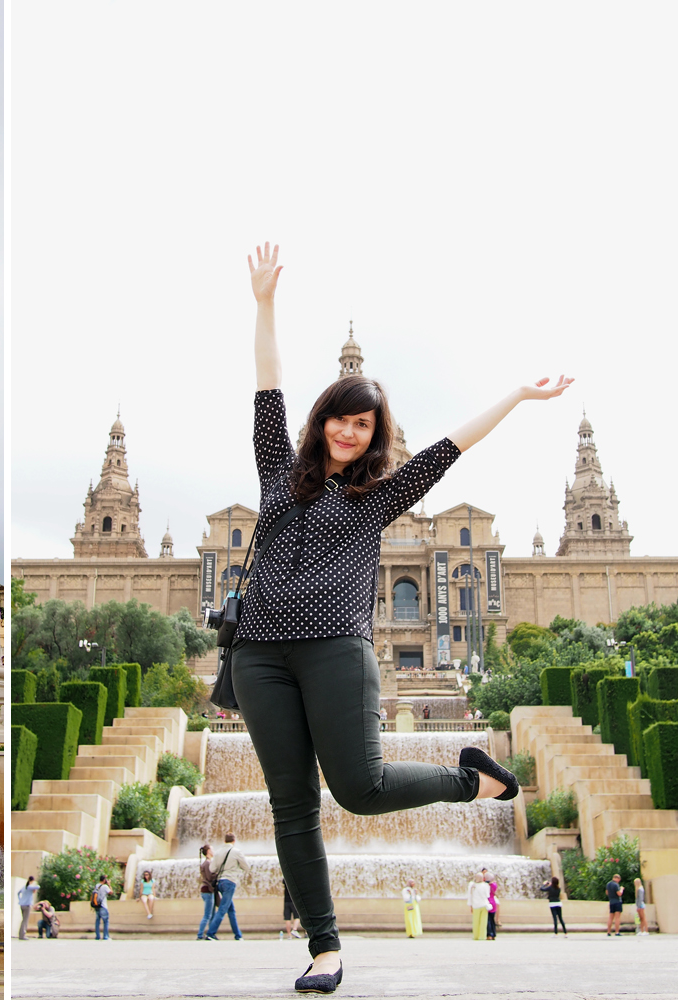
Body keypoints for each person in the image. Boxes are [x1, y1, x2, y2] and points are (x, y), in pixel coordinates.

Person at [231, 243, 565, 993]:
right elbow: (268, 386)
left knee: (360, 787)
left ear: (375, 438)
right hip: (256, 655)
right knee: (292, 805)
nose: (349, 432)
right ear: (323, 424)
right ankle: (325, 950)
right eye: (341, 420)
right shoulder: (276, 472)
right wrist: (263, 303)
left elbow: (449, 448)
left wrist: (516, 393)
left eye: (363, 426)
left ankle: (469, 781)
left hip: (336, 651)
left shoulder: (379, 500)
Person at [468, 872, 490, 941]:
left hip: (475, 905)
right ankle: (482, 936)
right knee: (483, 922)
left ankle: (476, 936)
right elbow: (487, 895)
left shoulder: (472, 885)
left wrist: (470, 905)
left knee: (476, 922)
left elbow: (470, 896)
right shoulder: (486, 885)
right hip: (484, 905)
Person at [17, 876, 38, 940]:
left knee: (23, 920)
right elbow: (38, 887)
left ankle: (20, 934)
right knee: (25, 920)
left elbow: (18, 893)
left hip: (22, 905)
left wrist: (20, 900)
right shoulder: (29, 887)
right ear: (32, 881)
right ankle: (22, 935)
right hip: (27, 905)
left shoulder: (24, 887)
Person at [92, 875, 112, 940]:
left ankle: (97, 936)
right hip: (103, 906)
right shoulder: (105, 886)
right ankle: (106, 936)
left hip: (97, 906)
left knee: (97, 921)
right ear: (104, 880)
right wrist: (109, 884)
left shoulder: (97, 886)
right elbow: (111, 892)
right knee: (106, 921)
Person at [484, 870, 498, 940]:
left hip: (488, 903)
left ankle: (489, 934)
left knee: (488, 920)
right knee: (492, 919)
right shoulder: (494, 885)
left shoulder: (487, 886)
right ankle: (494, 934)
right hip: (494, 903)